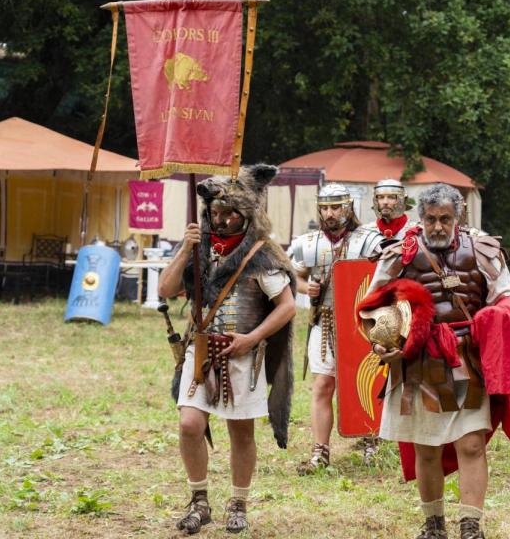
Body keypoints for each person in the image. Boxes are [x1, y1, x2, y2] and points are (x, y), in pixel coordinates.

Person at [365, 183, 510, 539]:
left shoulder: (483, 250)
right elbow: (373, 304)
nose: (438, 226)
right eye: (431, 219)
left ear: (457, 216)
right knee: (427, 447)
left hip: (468, 360)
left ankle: (471, 527)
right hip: (419, 362)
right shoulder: (400, 254)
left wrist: (495, 325)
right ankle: (434, 526)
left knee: (471, 444)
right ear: (421, 218)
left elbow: (505, 298)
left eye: (445, 219)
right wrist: (383, 341)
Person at [159, 165, 296, 535]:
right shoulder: (199, 248)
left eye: (229, 213)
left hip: (242, 356)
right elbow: (166, 289)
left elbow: (286, 307)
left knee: (241, 433)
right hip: (201, 352)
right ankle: (199, 501)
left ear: (246, 214)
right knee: (189, 424)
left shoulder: (261, 255)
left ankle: (238, 503)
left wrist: (252, 339)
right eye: (215, 212)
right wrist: (186, 248)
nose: (220, 220)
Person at [288, 183, 383, 472]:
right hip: (325, 321)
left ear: (348, 208)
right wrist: (307, 288)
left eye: (336, 207)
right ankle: (320, 451)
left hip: (361, 323)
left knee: (364, 381)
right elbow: (296, 277)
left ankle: (370, 439)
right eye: (325, 208)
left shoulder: (369, 240)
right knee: (322, 386)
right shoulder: (309, 242)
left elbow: (383, 276)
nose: (330, 213)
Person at [365, 178, 414, 242]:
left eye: (391, 197)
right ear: (376, 201)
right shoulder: (367, 231)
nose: (385, 202)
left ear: (402, 200)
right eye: (381, 197)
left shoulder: (415, 230)